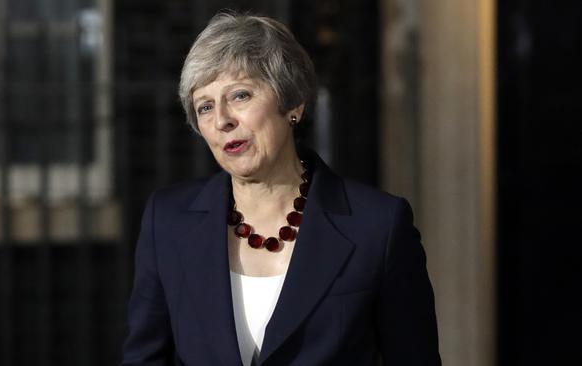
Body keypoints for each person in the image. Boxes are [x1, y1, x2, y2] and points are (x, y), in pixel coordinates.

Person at [122, 11, 440, 366]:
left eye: (240, 95)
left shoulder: (378, 226)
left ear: (292, 103)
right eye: (205, 106)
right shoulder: (167, 221)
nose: (222, 119)